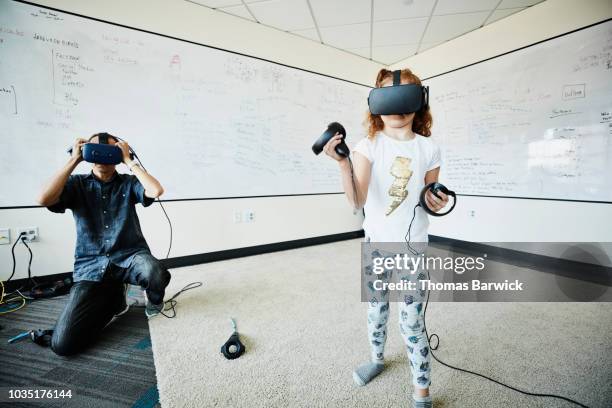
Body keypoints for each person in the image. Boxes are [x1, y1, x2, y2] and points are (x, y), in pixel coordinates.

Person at [323, 68, 449, 408]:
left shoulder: (429, 148)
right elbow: (357, 201)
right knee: (376, 310)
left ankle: (421, 390)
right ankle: (377, 359)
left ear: (420, 101)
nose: (398, 107)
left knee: (412, 322)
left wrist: (437, 201)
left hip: (413, 249)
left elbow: (429, 197)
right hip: (376, 246)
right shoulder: (370, 146)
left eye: (407, 97)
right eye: (390, 99)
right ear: (376, 104)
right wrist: (342, 164)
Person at [37, 133, 171, 356]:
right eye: (97, 152)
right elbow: (43, 199)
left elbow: (155, 191)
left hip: (130, 256)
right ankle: (116, 298)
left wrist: (129, 161)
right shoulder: (76, 184)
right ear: (88, 153)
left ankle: (154, 302)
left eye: (111, 153)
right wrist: (74, 160)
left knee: (154, 271)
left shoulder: (128, 184)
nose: (103, 158)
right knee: (62, 345)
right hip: (91, 265)